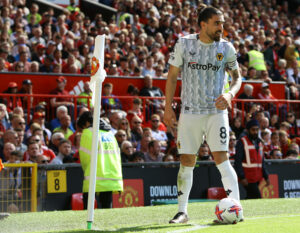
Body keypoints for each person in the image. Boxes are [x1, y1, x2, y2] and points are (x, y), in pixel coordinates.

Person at [164, 5, 242, 224]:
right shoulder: (184, 44)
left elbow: (237, 78)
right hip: (189, 113)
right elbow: (171, 77)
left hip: (216, 113)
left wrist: (230, 95)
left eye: (223, 23)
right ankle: (182, 211)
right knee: (186, 161)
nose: (221, 27)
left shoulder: (226, 47)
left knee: (222, 159)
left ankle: (236, 207)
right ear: (203, 24)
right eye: (217, 23)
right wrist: (168, 107)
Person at [79, 115, 123, 209]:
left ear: (86, 123)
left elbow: (85, 158)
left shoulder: (88, 132)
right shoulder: (110, 134)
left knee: (88, 211)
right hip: (112, 177)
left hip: (94, 177)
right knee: (107, 210)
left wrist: (86, 170)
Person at [234, 119, 270, 199]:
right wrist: (242, 177)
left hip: (257, 177)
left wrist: (266, 177)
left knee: (251, 197)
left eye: (257, 129)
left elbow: (262, 162)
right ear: (248, 130)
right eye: (253, 130)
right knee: (257, 197)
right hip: (247, 177)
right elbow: (238, 161)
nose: (255, 132)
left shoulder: (260, 143)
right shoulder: (242, 142)